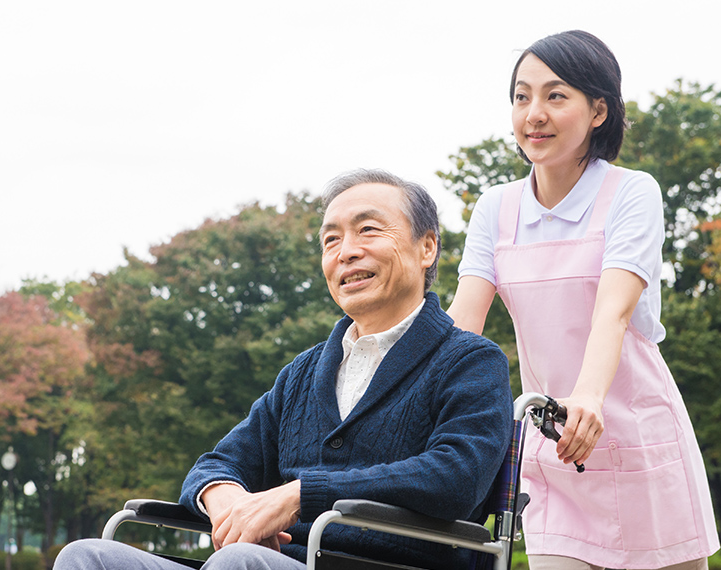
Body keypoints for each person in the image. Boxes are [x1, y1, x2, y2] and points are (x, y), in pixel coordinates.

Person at [55, 169, 514, 570]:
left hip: (386, 564)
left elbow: (455, 478)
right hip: (267, 563)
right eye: (331, 240)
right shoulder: (303, 373)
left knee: (240, 562)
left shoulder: (469, 360)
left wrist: (295, 496)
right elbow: (217, 463)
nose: (346, 252)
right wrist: (230, 503)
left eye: (368, 231)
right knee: (86, 557)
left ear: (427, 247)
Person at [445, 30, 719, 570]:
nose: (534, 114)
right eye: (522, 97)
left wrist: (588, 398)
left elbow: (612, 312)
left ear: (599, 110)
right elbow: (462, 325)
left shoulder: (632, 192)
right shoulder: (495, 209)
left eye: (555, 95)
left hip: (642, 444)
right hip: (554, 451)